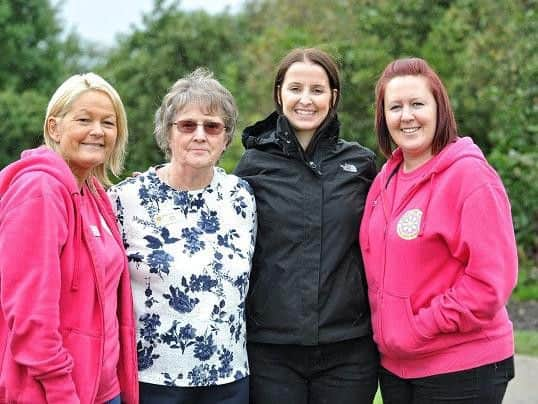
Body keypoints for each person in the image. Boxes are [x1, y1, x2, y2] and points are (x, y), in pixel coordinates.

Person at [359, 57, 517, 403]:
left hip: (462, 367)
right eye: (395, 107)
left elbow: (490, 283)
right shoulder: (384, 180)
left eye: (417, 104)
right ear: (383, 117)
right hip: (397, 368)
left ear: (439, 108)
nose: (407, 116)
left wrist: (416, 327)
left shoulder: (470, 177)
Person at [234, 48, 379, 404]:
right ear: (279, 93)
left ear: (333, 97)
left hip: (348, 349)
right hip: (272, 350)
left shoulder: (360, 164)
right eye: (296, 88)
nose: (306, 100)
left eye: (317, 90)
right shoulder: (253, 164)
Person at [108, 68, 256, 404]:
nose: (200, 135)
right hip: (152, 380)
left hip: (228, 378)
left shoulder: (242, 197)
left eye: (213, 126)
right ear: (167, 133)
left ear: (226, 136)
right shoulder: (125, 199)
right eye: (187, 125)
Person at [0, 73, 138, 403]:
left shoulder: (92, 192)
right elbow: (31, 314)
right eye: (84, 119)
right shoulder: (40, 191)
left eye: (108, 122)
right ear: (54, 127)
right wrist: (61, 391)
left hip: (103, 388)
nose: (97, 131)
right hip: (55, 393)